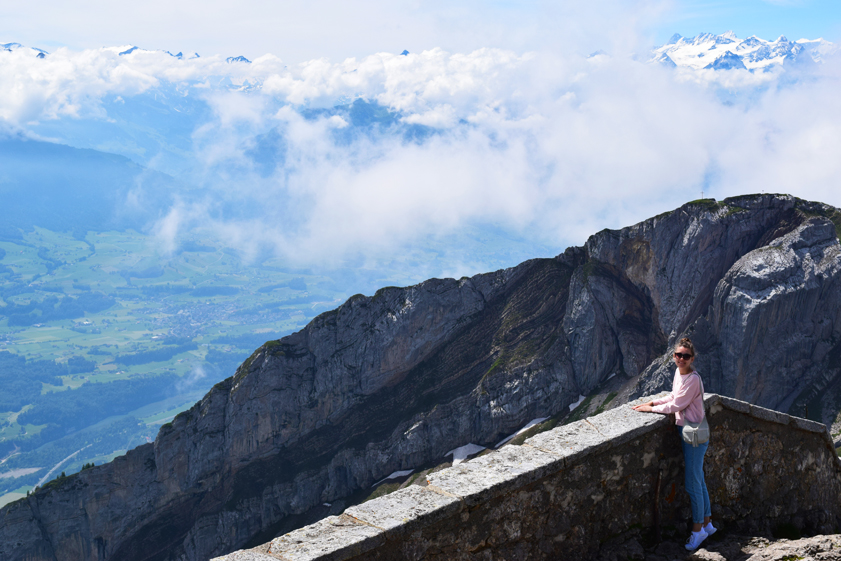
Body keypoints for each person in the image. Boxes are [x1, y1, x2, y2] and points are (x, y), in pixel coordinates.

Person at [632, 337, 716, 551]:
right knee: (699, 479)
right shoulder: (680, 373)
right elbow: (672, 396)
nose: (681, 359)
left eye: (685, 356)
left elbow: (677, 404)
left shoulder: (693, 379)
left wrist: (650, 410)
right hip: (691, 431)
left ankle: (697, 532)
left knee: (692, 483)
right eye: (678, 355)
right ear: (673, 356)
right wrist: (652, 402)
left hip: (694, 435)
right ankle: (708, 524)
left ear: (692, 358)